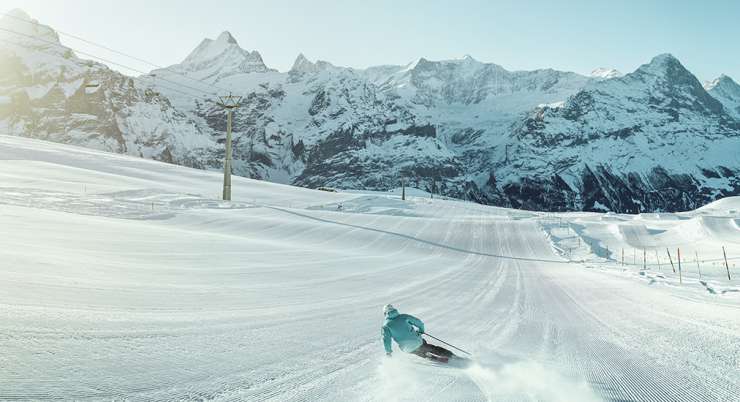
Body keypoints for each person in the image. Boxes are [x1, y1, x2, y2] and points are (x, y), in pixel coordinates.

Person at [381, 304, 454, 362]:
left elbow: (386, 340)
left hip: (406, 347)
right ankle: (451, 355)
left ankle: (430, 356)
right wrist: (421, 330)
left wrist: (388, 352)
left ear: (385, 313)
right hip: (417, 341)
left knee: (417, 351)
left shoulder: (385, 326)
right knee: (429, 347)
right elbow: (419, 322)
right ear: (394, 310)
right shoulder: (404, 317)